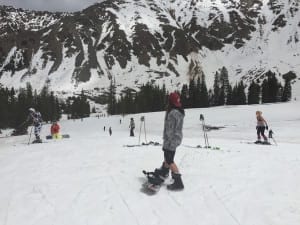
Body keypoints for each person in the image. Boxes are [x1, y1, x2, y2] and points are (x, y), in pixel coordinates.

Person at [154, 92, 185, 190]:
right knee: (168, 156)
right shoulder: (179, 111)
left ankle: (178, 182)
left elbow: (170, 130)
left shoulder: (172, 113)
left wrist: (168, 142)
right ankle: (164, 171)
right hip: (176, 138)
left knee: (169, 159)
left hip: (171, 139)